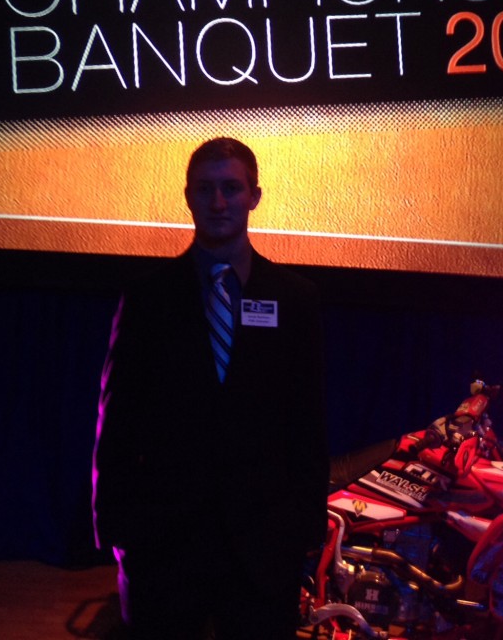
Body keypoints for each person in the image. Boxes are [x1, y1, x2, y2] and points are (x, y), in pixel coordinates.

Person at [92, 136, 328, 640]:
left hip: (263, 548)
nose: (218, 202)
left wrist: (304, 531)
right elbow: (117, 422)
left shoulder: (295, 299)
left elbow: (307, 424)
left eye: (231, 188)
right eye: (205, 189)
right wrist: (115, 529)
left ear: (254, 196)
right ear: (188, 197)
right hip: (165, 545)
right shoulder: (147, 298)